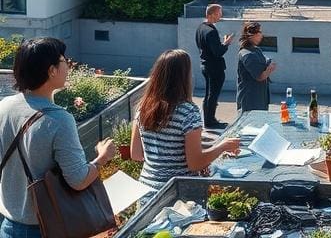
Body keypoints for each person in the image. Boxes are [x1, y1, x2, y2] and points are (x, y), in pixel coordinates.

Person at [0, 38, 116, 238]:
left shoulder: (5, 106)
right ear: (51, 70)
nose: (69, 66)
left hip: (8, 225)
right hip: (44, 228)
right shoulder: (59, 120)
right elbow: (78, 180)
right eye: (65, 61)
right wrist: (103, 158)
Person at [132, 49, 240, 192]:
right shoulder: (188, 111)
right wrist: (222, 147)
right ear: (184, 77)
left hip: (145, 191)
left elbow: (136, 155)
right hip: (179, 194)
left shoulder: (143, 107)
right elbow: (195, 163)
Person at [195, 3, 233, 130]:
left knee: (208, 94)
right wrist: (226, 43)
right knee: (213, 94)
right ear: (211, 15)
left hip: (205, 65)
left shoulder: (201, 27)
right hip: (214, 67)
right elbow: (218, 52)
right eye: (218, 13)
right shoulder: (211, 31)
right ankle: (210, 122)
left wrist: (221, 44)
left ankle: (208, 119)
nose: (220, 16)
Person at [236, 21, 276, 112]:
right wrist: (270, 69)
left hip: (259, 98)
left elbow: (265, 60)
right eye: (259, 32)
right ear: (252, 35)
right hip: (251, 100)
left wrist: (269, 63)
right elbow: (260, 76)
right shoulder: (247, 54)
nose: (261, 35)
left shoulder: (256, 50)